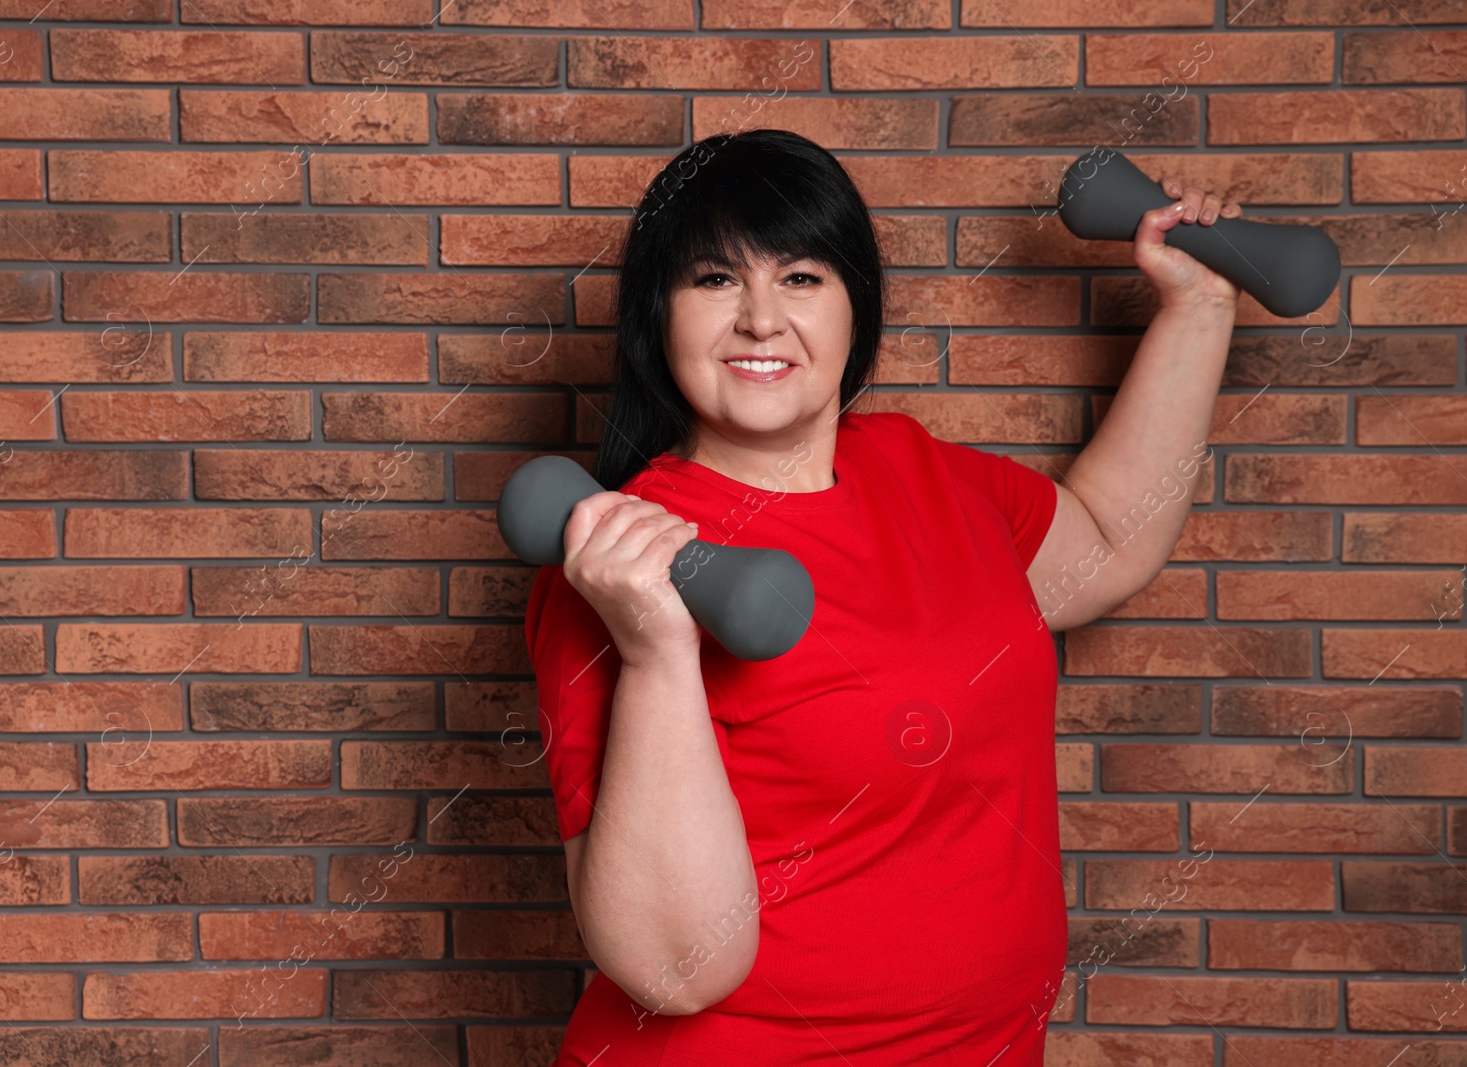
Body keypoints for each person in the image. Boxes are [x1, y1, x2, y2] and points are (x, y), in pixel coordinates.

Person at [523, 128, 1242, 1065]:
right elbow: (676, 971)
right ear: (656, 316)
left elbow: (1106, 542)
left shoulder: (918, 469)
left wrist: (1198, 307)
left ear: (855, 306)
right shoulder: (620, 561)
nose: (760, 320)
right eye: (713, 280)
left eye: (801, 277)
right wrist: (659, 648)